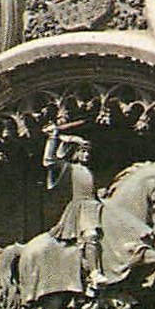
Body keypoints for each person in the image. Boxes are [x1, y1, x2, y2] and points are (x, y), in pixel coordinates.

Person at [42, 124, 105, 290]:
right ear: (74, 152)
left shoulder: (87, 170)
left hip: (94, 207)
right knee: (90, 235)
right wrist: (53, 137)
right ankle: (94, 273)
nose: (86, 155)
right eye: (82, 151)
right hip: (81, 210)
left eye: (87, 152)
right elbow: (49, 160)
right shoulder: (69, 168)